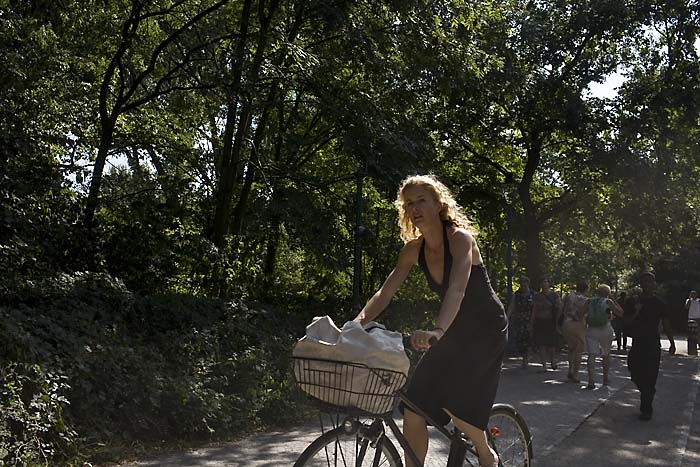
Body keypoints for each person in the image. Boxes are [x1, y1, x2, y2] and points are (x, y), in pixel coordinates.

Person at [354, 175, 508, 467]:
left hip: (485, 329)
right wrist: (355, 325)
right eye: (409, 203)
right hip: (451, 330)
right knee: (414, 409)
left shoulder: (461, 240)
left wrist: (436, 330)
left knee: (458, 407)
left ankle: (488, 456)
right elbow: (384, 293)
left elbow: (457, 289)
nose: (415, 208)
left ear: (439, 204)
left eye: (421, 200)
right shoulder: (413, 250)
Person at [623, 272, 676, 421]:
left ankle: (647, 409)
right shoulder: (633, 302)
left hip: (652, 343)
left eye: (651, 281)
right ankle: (646, 391)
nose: (648, 284)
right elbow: (626, 321)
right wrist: (636, 311)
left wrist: (672, 343)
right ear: (641, 284)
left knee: (651, 376)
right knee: (634, 371)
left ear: (654, 284)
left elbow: (666, 324)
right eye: (645, 281)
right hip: (638, 343)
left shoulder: (660, 303)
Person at [584, 284, 623, 389]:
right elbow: (620, 313)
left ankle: (591, 381)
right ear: (608, 293)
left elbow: (580, 313)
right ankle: (605, 379)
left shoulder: (589, 301)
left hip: (592, 329)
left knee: (591, 355)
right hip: (606, 329)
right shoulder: (608, 302)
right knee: (606, 354)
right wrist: (614, 300)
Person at [560, 281, 589, 383]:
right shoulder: (585, 300)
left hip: (566, 323)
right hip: (578, 324)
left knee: (571, 348)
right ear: (586, 289)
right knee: (578, 350)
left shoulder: (568, 296)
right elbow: (585, 314)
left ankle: (570, 369)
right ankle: (576, 374)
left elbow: (562, 309)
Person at [531, 278, 562, 371]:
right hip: (540, 321)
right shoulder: (537, 296)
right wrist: (532, 322)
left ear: (549, 284)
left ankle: (553, 361)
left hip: (551, 321)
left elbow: (560, 306)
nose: (544, 284)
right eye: (542, 282)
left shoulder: (554, 295)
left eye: (545, 282)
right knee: (541, 344)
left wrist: (557, 319)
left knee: (551, 344)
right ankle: (544, 364)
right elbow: (534, 309)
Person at [506, 277, 534, 368]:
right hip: (519, 319)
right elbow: (512, 306)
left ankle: (526, 358)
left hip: (530, 319)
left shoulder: (533, 294)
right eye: (522, 284)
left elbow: (536, 307)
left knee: (528, 338)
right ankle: (524, 356)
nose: (523, 286)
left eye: (525, 284)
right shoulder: (517, 294)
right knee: (520, 338)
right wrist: (507, 317)